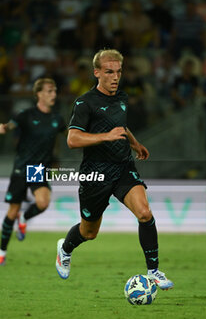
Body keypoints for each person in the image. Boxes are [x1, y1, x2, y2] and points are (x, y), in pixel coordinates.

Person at [55, 49, 174, 290]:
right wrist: (105, 137)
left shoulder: (121, 98)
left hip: (122, 167)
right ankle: (65, 249)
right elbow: (72, 139)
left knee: (144, 213)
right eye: (109, 72)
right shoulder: (84, 102)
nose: (115, 77)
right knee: (89, 232)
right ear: (96, 72)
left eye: (118, 72)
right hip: (95, 173)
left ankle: (153, 272)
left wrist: (134, 143)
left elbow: (121, 126)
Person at [0, 78, 66, 265]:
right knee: (12, 211)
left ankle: (25, 216)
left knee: (43, 203)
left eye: (54, 91)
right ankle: (2, 252)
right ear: (38, 94)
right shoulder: (26, 115)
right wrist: (2, 128)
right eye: (49, 91)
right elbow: (7, 127)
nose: (53, 94)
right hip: (22, 167)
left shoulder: (57, 119)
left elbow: (67, 138)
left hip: (38, 169)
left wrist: (56, 160)